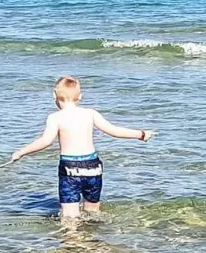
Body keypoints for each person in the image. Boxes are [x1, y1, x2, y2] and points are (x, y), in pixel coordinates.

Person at [10, 76, 155, 222]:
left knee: (70, 216)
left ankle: (74, 241)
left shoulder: (55, 118)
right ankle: (92, 239)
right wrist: (141, 134)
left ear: (54, 95)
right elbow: (113, 130)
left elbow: (45, 141)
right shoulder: (90, 114)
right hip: (93, 166)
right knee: (93, 211)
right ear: (80, 96)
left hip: (70, 168)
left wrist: (21, 152)